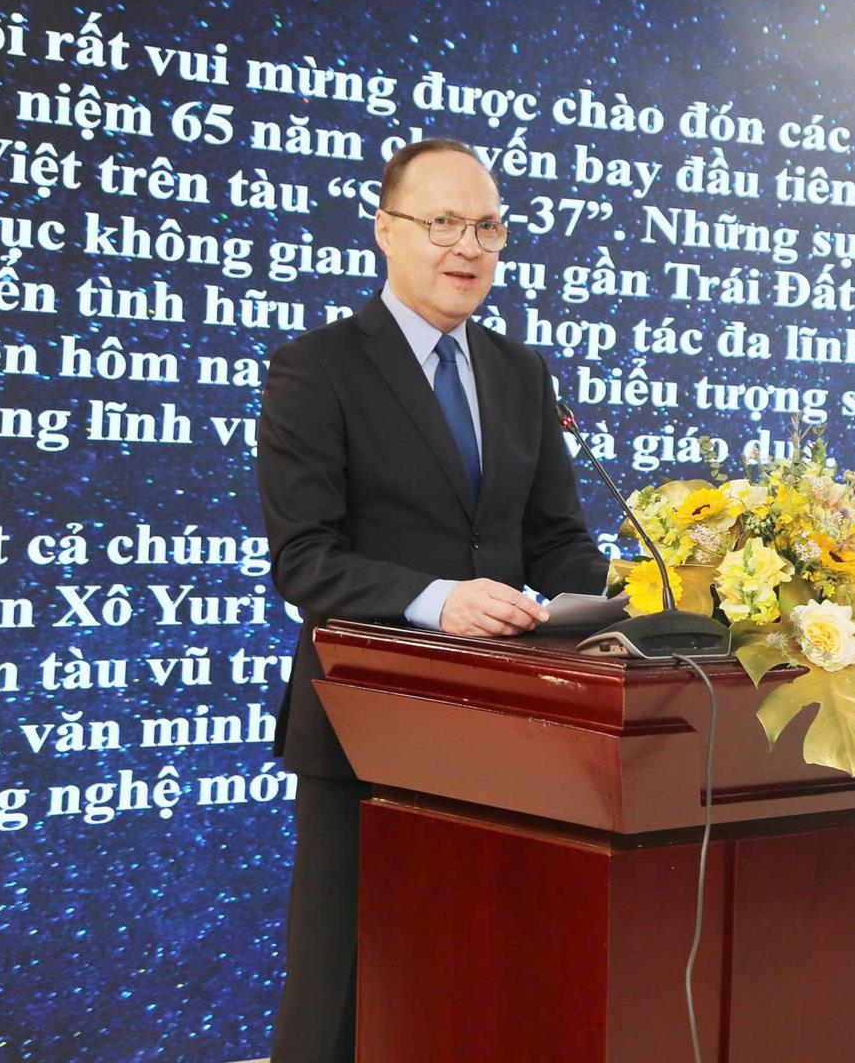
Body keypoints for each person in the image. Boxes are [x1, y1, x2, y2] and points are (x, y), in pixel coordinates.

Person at [255, 137, 608, 1063]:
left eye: (487, 228)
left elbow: (555, 539)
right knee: (339, 991)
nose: (468, 248)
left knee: (477, 982)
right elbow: (304, 560)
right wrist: (436, 600)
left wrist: (629, 609)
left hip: (508, 729)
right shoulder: (316, 369)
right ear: (386, 230)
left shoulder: (521, 373)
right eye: (443, 222)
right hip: (365, 725)